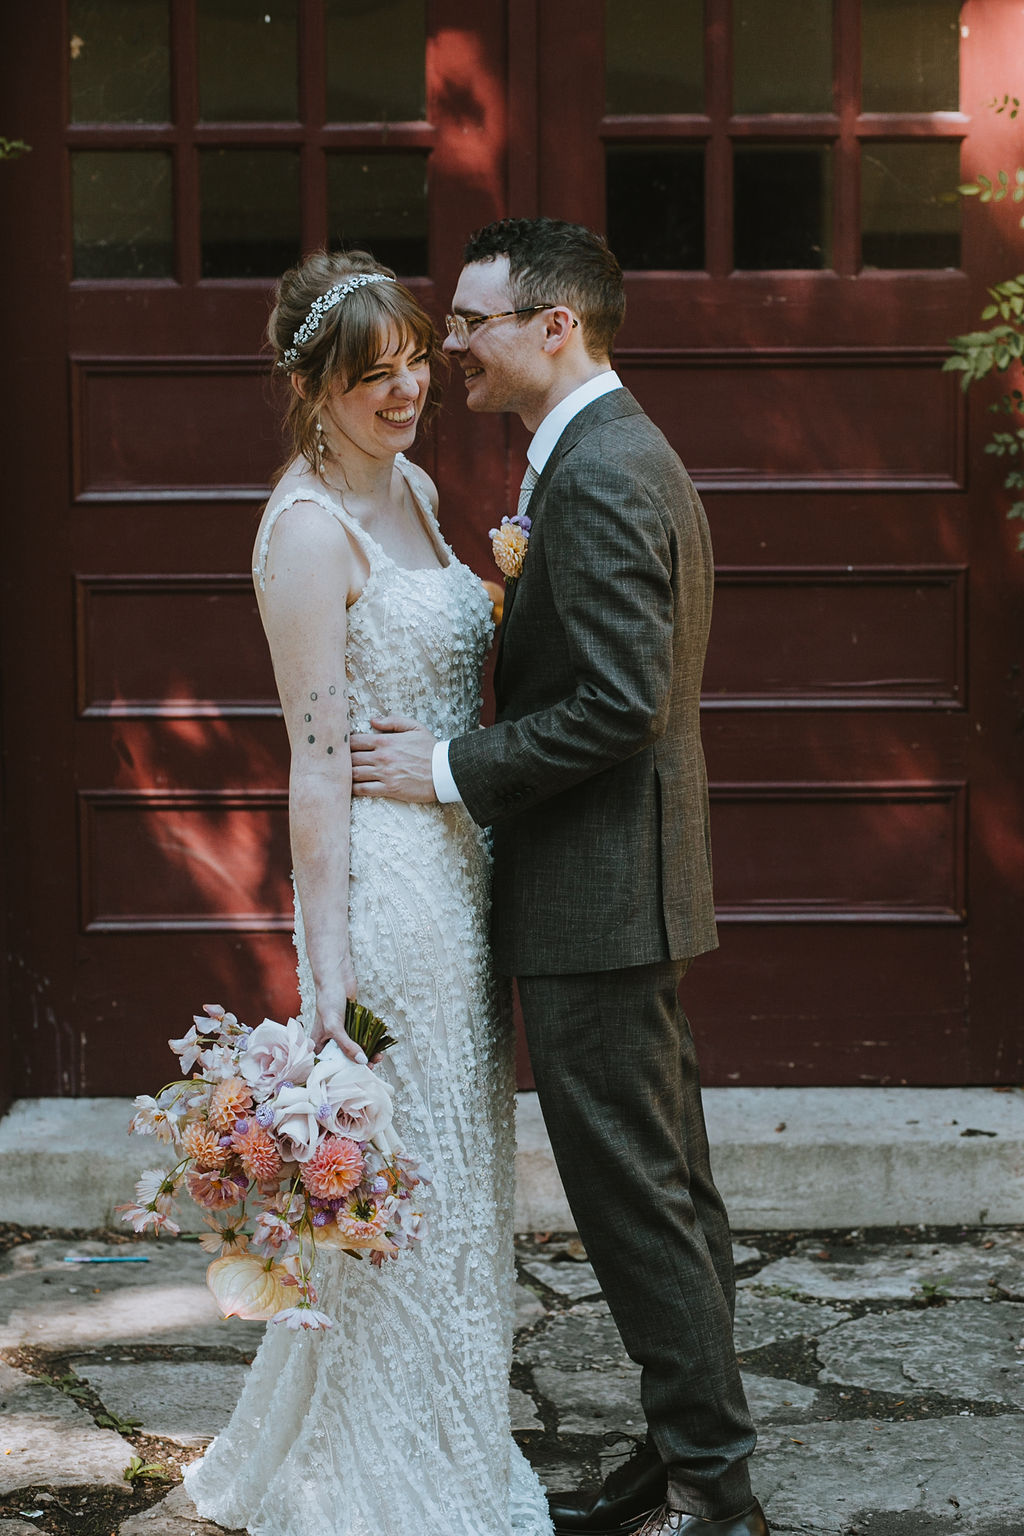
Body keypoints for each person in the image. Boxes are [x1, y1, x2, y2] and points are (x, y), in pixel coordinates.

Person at [350, 219, 769, 1536]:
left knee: (639, 1203)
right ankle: (688, 1455)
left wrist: (448, 767)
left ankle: (713, 1491)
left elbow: (617, 704)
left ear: (555, 328)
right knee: (670, 1194)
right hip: (623, 891)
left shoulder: (598, 472)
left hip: (600, 901)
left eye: (472, 322)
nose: (450, 345)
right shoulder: (598, 452)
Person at [182, 248, 553, 1536]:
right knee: (410, 1178)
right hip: (389, 896)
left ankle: (453, 1425)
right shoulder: (305, 533)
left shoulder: (414, 487)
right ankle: (382, 1476)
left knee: (462, 1172)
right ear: (310, 386)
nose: (410, 392)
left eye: (414, 365)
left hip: (463, 865)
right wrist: (324, 965)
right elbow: (316, 761)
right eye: (374, 376)